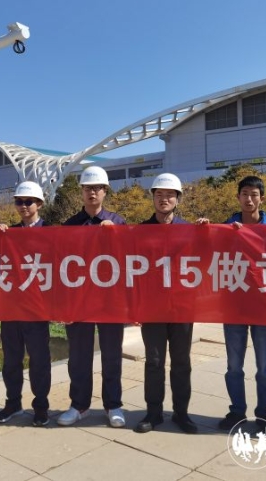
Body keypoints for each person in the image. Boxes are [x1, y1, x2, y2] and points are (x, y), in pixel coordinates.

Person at [57, 166, 127, 428]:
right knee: (78, 356)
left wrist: (116, 235)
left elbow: (130, 261)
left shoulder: (118, 222)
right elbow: (61, 265)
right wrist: (64, 305)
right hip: (79, 300)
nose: (92, 192)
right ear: (82, 192)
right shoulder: (70, 225)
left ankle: (113, 405)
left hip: (110, 301)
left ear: (105, 191)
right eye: (88, 188)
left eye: (97, 188)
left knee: (112, 355)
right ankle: (79, 405)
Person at [214, 176, 266, 434]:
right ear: (238, 197)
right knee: (234, 366)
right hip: (234, 306)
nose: (249, 199)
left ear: (262, 198)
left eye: (254, 194)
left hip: (264, 307)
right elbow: (206, 251)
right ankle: (237, 411)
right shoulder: (226, 228)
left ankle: (264, 414)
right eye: (244, 194)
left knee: (264, 368)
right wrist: (206, 228)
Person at [134, 173, 197, 434]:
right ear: (153, 198)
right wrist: (135, 307)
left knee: (181, 362)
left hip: (182, 307)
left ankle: (181, 413)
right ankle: (154, 413)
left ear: (178, 199)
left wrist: (207, 231)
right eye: (159, 194)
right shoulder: (140, 232)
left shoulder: (190, 230)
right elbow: (131, 270)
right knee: (154, 361)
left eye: (170, 195)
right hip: (152, 308)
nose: (164, 199)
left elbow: (206, 260)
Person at [0, 181, 52, 427]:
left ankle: (41, 406)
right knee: (11, 360)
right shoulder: (9, 232)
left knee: (39, 360)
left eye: (28, 202)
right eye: (19, 201)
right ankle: (13, 403)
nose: (23, 206)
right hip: (11, 307)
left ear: (39, 204)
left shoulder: (52, 232)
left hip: (37, 308)